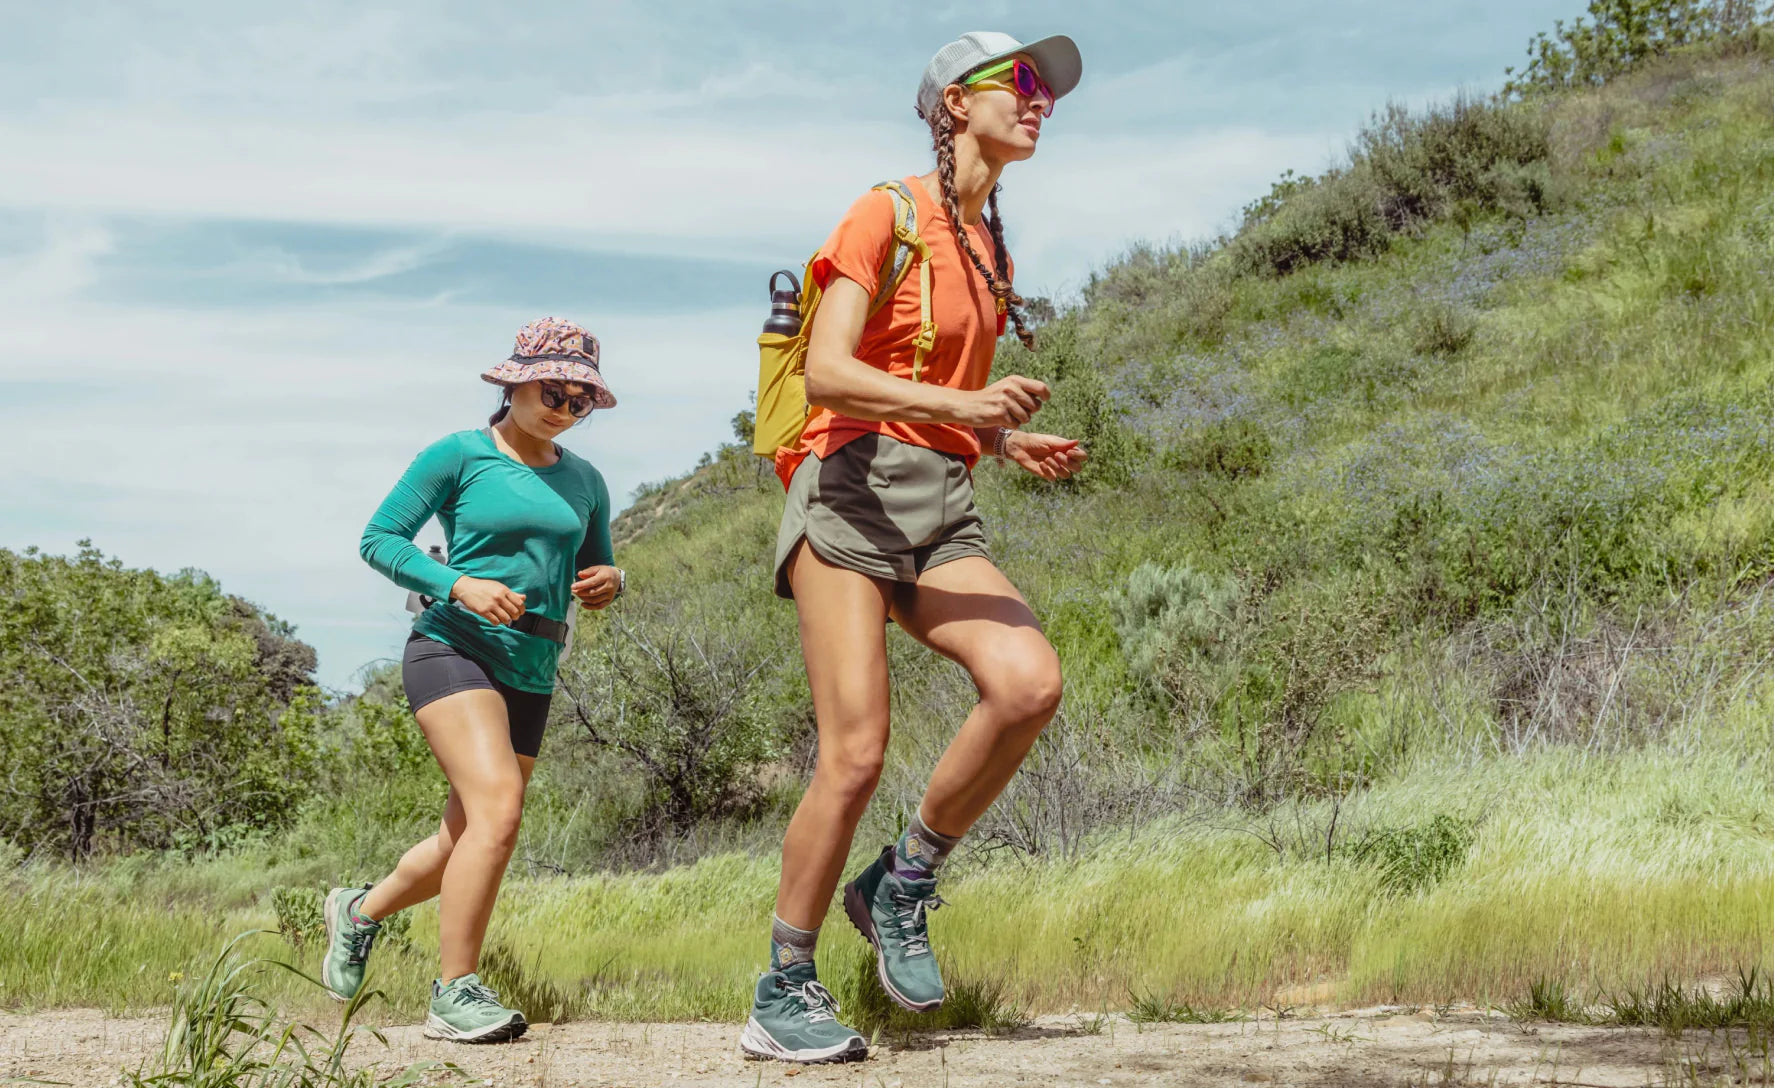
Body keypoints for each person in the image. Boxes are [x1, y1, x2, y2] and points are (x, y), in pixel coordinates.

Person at [740, 32, 1088, 1065]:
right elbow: (830, 374)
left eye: (1045, 88)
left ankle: (901, 882)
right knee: (853, 753)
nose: (1038, 99)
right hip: (846, 491)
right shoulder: (883, 212)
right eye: (1018, 81)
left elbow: (943, 397)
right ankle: (781, 986)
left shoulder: (988, 245)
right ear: (954, 103)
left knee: (1027, 682)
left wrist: (999, 440)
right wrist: (966, 408)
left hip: (939, 500)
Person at [322, 317, 626, 1043]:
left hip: (534, 668)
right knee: (499, 811)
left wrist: (611, 580)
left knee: (464, 838)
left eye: (580, 399)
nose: (565, 407)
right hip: (452, 646)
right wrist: (457, 584)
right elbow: (379, 540)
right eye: (552, 391)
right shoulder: (459, 454)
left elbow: (599, 562)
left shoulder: (586, 481)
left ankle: (357, 912)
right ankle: (454, 992)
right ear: (513, 382)